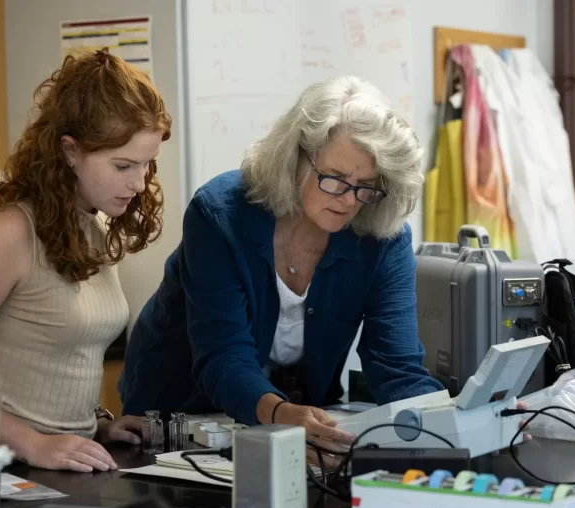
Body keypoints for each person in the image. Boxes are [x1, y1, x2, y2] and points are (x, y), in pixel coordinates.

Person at [120, 75, 447, 463]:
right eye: (336, 180)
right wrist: (280, 415)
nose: (349, 201)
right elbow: (224, 356)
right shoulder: (219, 216)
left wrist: (460, 421)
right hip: (177, 417)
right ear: (295, 159)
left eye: (367, 186)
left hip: (292, 419)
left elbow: (397, 367)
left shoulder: (383, 236)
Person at [0, 49, 172, 473]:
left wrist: (94, 426)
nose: (139, 183)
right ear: (70, 150)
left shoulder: (92, 226)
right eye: (123, 165)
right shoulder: (9, 229)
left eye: (147, 165)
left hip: (48, 466)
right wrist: (33, 442)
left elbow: (55, 362)